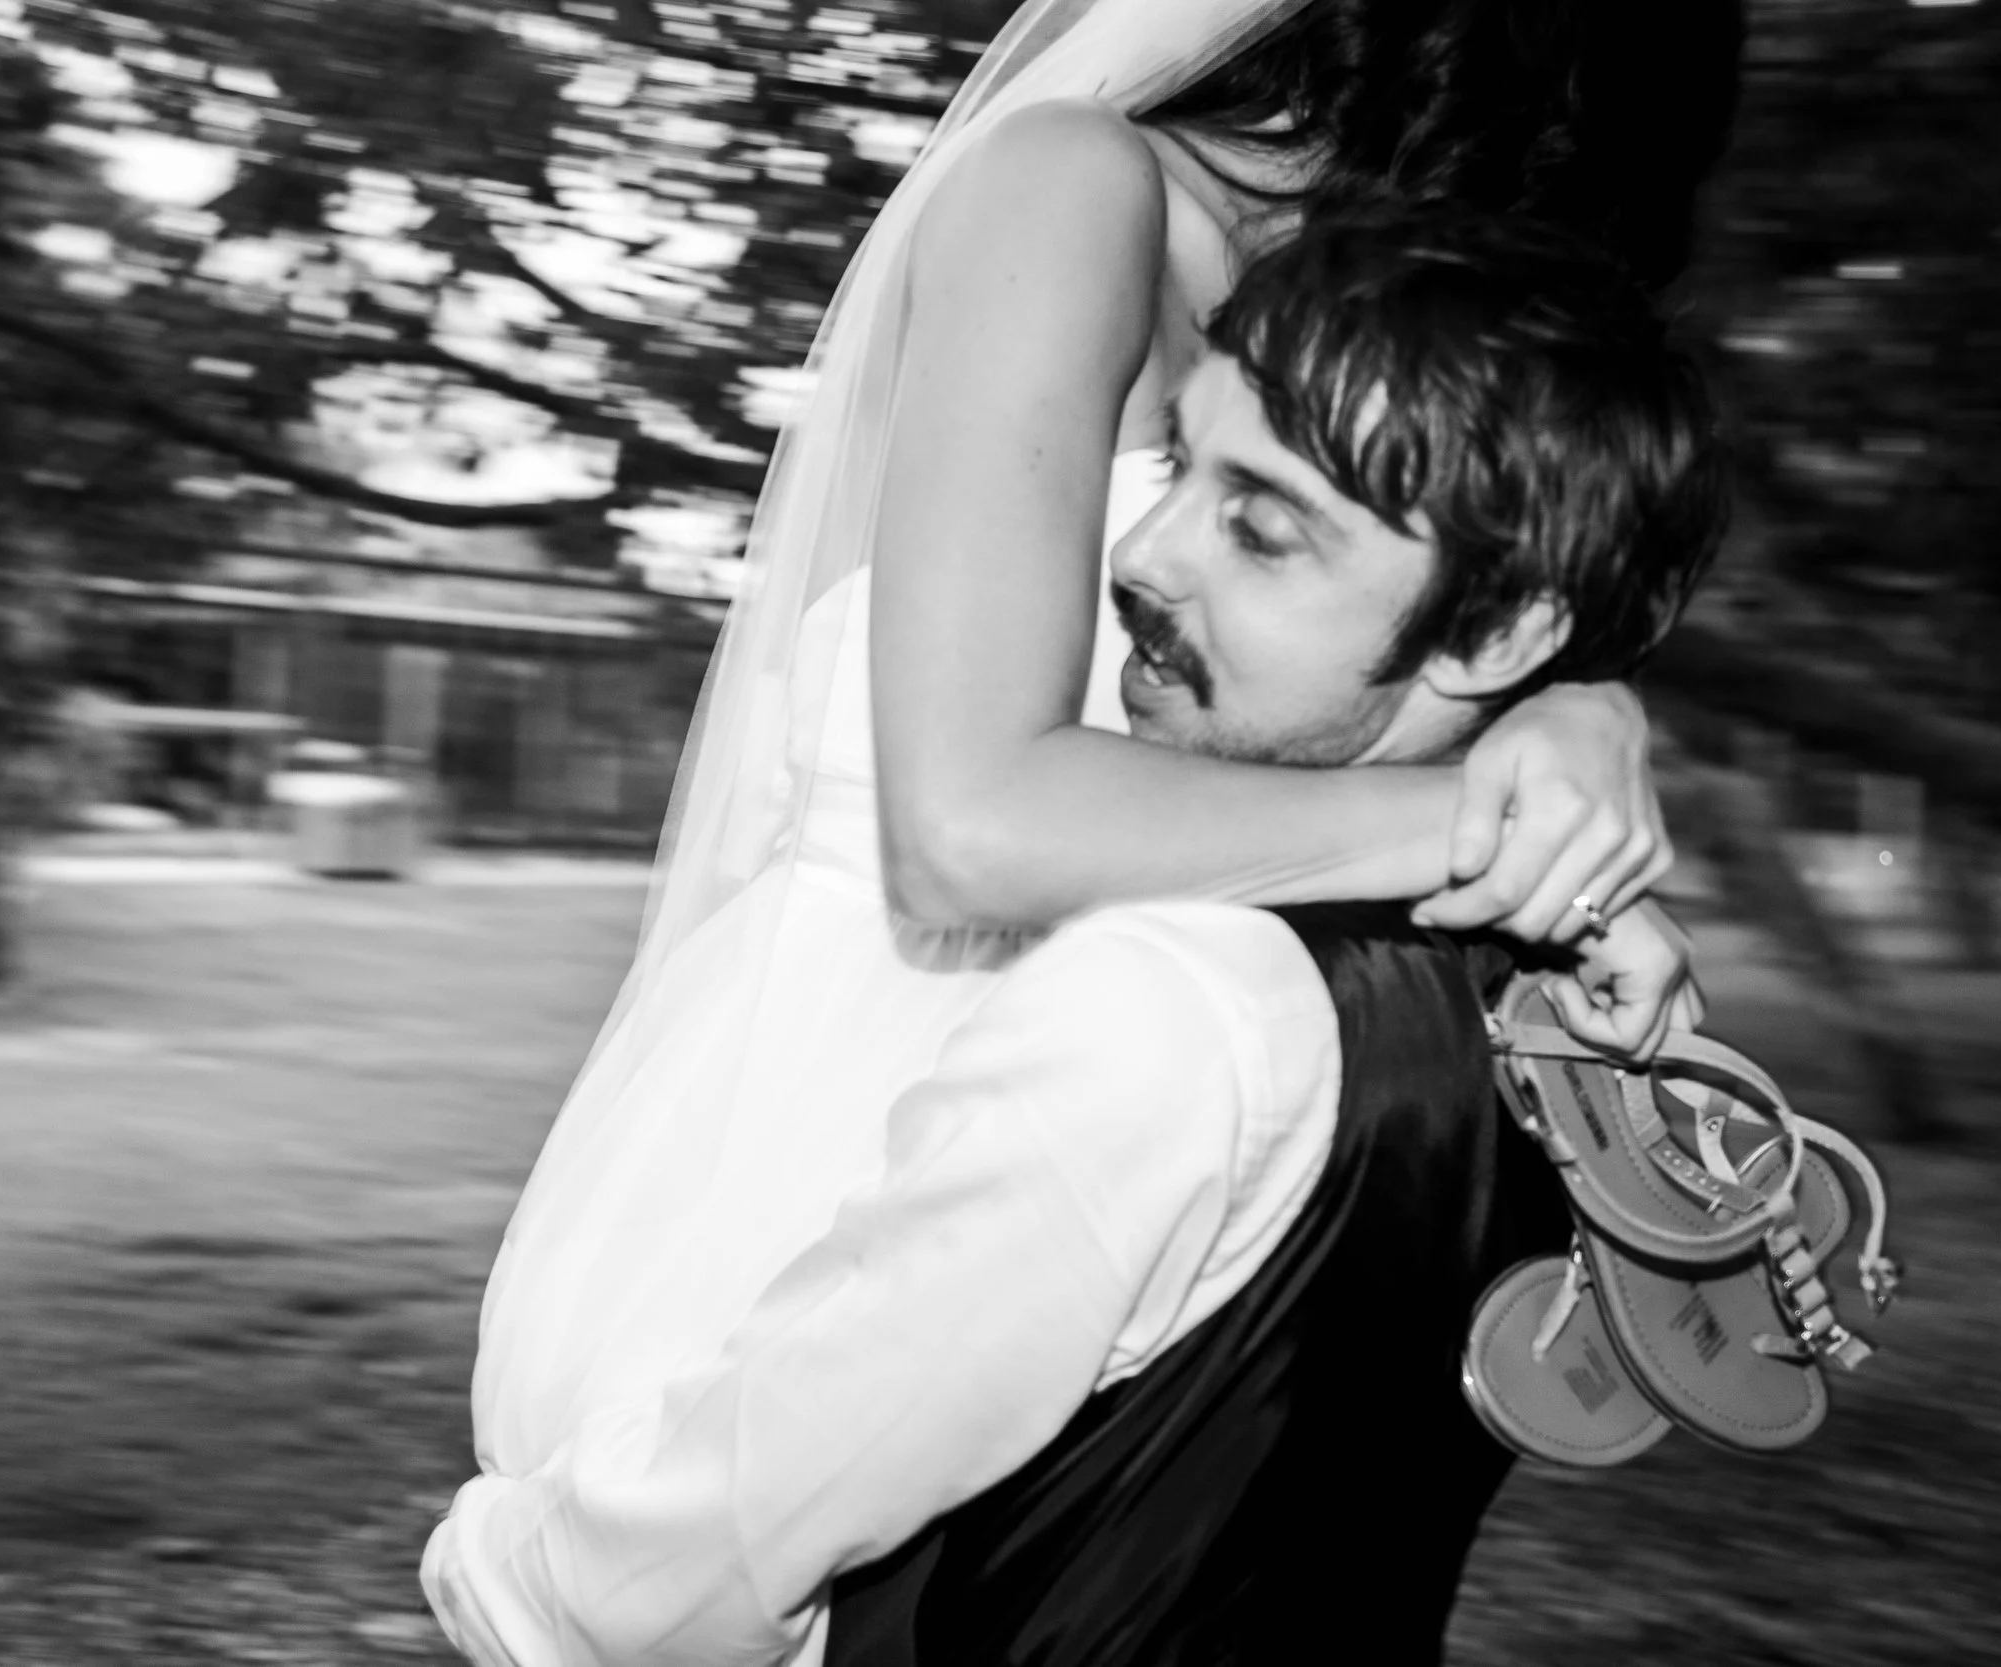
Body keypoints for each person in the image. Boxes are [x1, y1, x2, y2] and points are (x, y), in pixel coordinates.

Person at [443, 0, 1746, 1643]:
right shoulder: (1072, 187)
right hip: (816, 1184)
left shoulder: (1355, 341)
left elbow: (1425, 630)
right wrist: (1481, 826)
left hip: (1144, 1222)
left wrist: (1572, 710)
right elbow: (970, 825)